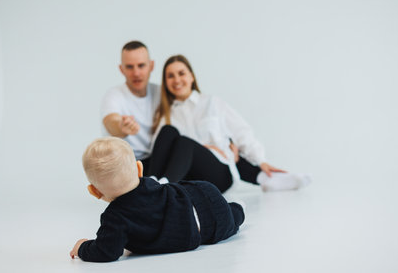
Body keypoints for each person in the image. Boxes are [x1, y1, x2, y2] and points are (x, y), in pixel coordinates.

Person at [148, 54, 311, 193]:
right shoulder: (166, 115)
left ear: (191, 76)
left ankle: (266, 177)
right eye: (170, 76)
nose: (176, 80)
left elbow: (241, 132)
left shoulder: (212, 103)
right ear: (166, 82)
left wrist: (261, 160)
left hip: (219, 172)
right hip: (186, 176)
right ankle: (152, 185)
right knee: (167, 131)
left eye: (181, 73)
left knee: (185, 143)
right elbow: (160, 152)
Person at [69, 137, 244, 262]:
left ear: (94, 191)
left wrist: (82, 247)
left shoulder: (115, 218)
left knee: (232, 216)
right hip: (203, 196)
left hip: (204, 229)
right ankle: (236, 209)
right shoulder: (151, 185)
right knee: (232, 213)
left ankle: (235, 209)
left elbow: (106, 251)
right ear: (139, 169)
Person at [100, 41, 160, 174]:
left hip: (158, 161)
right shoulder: (114, 95)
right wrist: (122, 127)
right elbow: (111, 122)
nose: (136, 73)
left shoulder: (161, 93)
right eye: (130, 67)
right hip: (128, 165)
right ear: (121, 69)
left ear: (151, 66)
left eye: (141, 65)